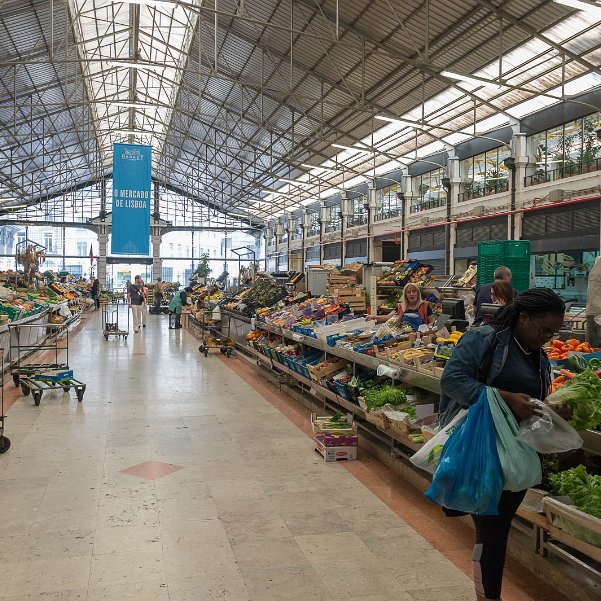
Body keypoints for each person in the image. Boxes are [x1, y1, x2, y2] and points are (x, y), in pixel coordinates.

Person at [439, 288, 565, 601]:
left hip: (515, 456)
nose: (547, 338)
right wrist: (504, 398)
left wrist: (550, 409)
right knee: (491, 533)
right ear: (523, 317)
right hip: (483, 450)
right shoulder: (484, 340)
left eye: (553, 333)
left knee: (497, 530)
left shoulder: (538, 355)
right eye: (543, 330)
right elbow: (452, 380)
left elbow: (533, 401)